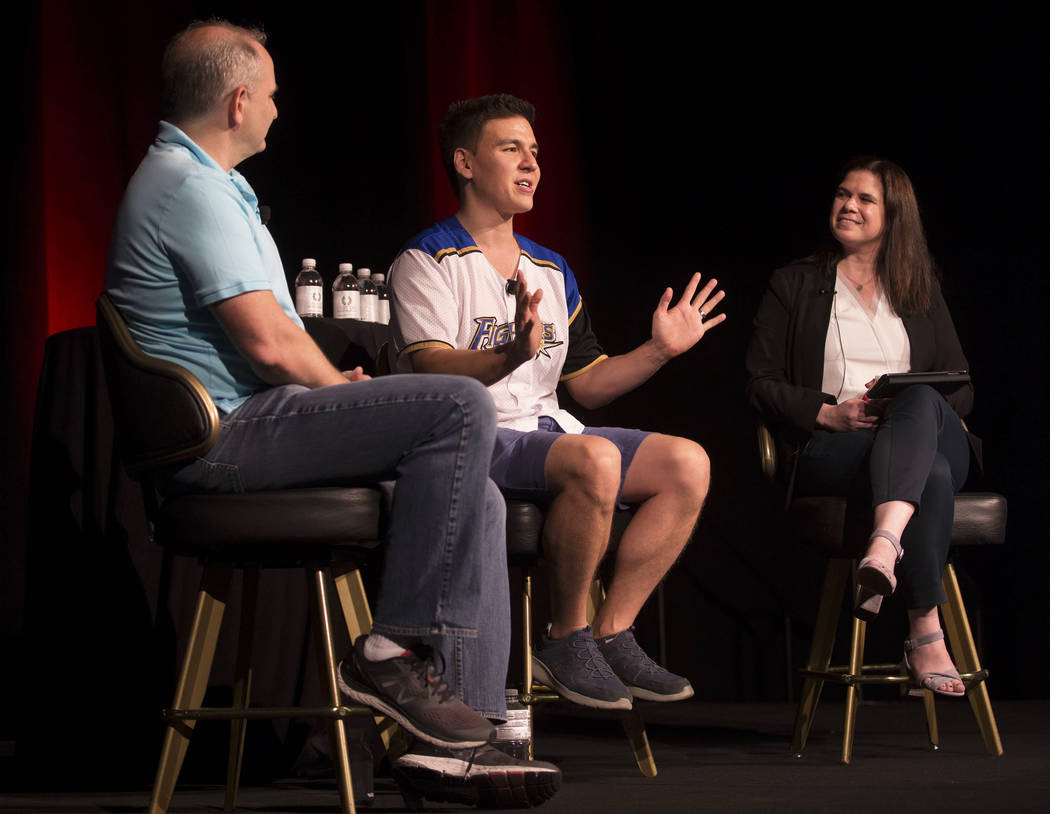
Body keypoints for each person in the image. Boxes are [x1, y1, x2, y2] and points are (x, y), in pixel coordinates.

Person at [104, 22, 559, 806]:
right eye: (273, 95)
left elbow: (282, 350)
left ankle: (461, 739)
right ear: (239, 99)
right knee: (456, 402)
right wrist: (342, 395)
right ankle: (392, 648)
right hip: (220, 440)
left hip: (258, 419)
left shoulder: (207, 183)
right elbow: (272, 344)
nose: (279, 109)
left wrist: (340, 391)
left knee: (476, 489)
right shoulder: (188, 187)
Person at [388, 94, 726, 711]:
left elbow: (588, 382)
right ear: (464, 162)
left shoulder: (551, 266)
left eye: (535, 152)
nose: (531, 163)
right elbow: (429, 367)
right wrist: (508, 356)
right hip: (473, 440)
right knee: (594, 458)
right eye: (510, 148)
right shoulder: (425, 259)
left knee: (688, 464)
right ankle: (564, 636)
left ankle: (611, 630)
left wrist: (658, 350)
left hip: (549, 430)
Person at [746, 156, 973, 697]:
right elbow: (759, 381)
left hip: (919, 430)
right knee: (932, 476)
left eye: (865, 199)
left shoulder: (920, 291)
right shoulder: (795, 284)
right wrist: (827, 411)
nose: (848, 205)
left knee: (918, 396)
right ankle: (924, 629)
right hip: (835, 445)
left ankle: (884, 544)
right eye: (843, 194)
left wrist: (909, 399)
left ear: (894, 216)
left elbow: (963, 389)